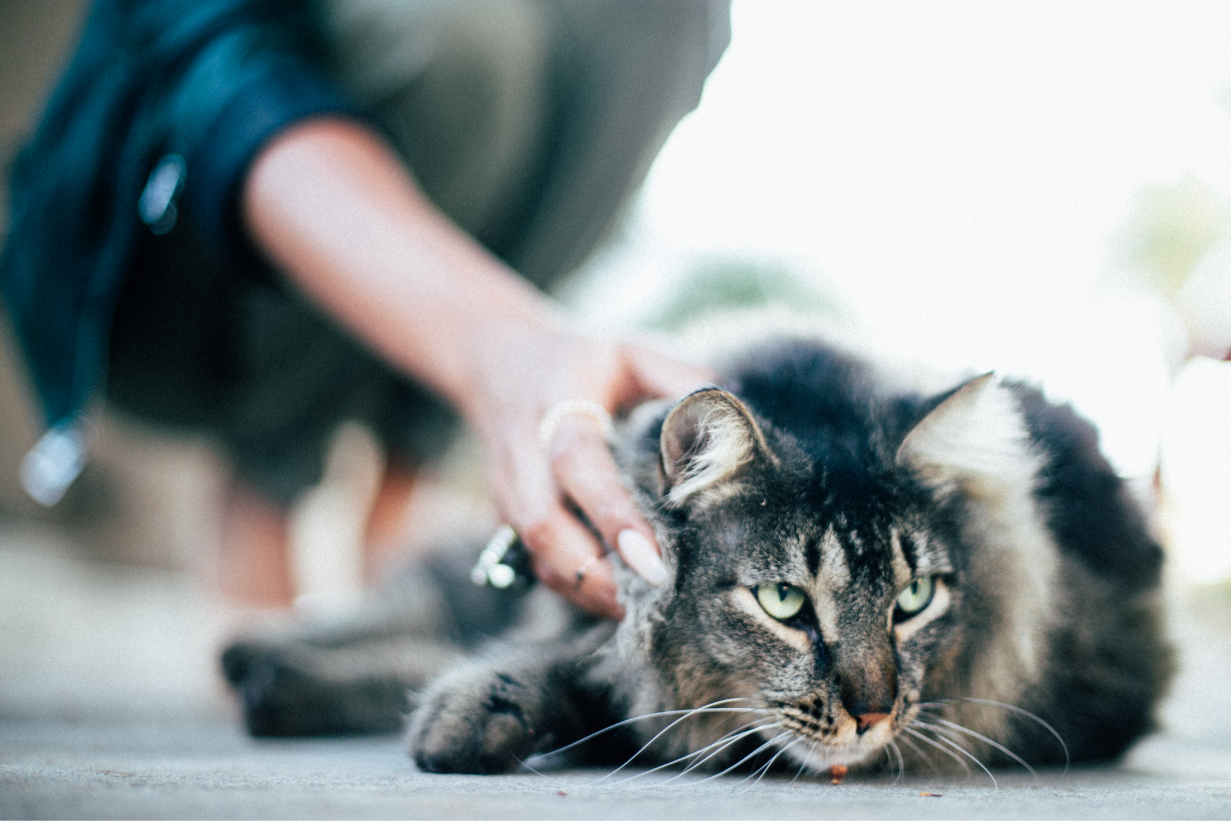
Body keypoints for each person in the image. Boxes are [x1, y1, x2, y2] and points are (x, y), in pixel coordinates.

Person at [0, 0, 731, 618]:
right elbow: (208, 56)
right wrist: (504, 345)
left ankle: (402, 486)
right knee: (463, 39)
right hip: (153, 254)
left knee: (666, 14)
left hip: (430, 222)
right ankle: (264, 494)